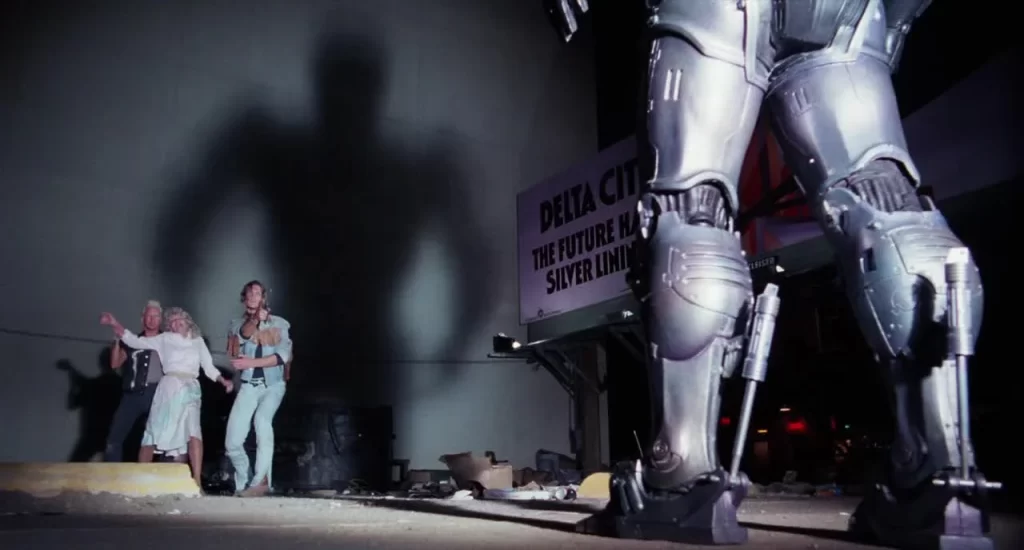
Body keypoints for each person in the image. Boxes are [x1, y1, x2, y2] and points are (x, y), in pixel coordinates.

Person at [100, 307, 233, 488]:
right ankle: (140, 479)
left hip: (191, 389)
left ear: (188, 321)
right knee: (153, 432)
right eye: (172, 322)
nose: (176, 324)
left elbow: (209, 367)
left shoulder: (198, 341)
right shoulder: (164, 339)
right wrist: (114, 323)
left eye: (179, 320)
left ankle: (197, 481)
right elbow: (134, 341)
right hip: (169, 387)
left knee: (193, 432)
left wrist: (223, 380)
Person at [225, 280, 292, 497]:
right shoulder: (236, 324)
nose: (254, 296)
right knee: (232, 443)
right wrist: (255, 320)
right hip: (249, 386)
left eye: (257, 293)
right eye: (249, 293)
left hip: (273, 386)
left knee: (262, 421)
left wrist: (252, 363)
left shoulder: (280, 323)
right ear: (244, 298)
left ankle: (261, 481)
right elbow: (242, 336)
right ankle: (245, 480)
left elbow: (283, 356)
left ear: (264, 298)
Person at [104, 300, 164, 462]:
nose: (152, 319)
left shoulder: (167, 341)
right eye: (149, 316)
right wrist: (117, 341)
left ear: (160, 319)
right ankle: (112, 475)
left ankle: (158, 474)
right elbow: (115, 363)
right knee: (114, 438)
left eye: (155, 316)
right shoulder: (132, 340)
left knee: (158, 440)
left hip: (157, 395)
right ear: (142, 318)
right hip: (132, 394)